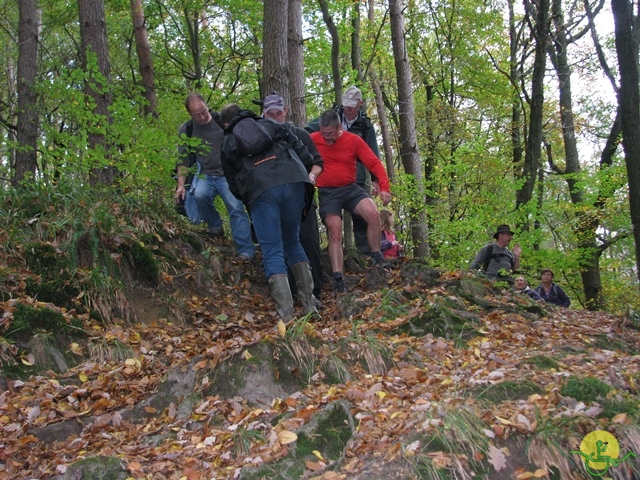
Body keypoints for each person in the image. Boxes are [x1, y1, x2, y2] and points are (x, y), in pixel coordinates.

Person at [220, 103, 324, 322]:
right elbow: (298, 146)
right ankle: (309, 304)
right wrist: (305, 168)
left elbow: (232, 183)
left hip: (261, 192)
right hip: (294, 182)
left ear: (226, 124)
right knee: (293, 242)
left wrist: (248, 196)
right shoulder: (268, 123)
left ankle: (286, 314)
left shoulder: (228, 142)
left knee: (272, 251)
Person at [309, 110, 392, 294]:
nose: (326, 138)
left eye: (330, 134)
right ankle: (338, 278)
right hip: (328, 192)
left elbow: (373, 163)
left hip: (350, 188)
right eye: (323, 134)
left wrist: (384, 187)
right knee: (335, 230)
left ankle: (377, 257)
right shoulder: (313, 138)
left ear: (339, 127)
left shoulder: (353, 140)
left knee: (372, 213)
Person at [175, 92, 255, 260]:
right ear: (190, 114)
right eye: (197, 115)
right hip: (205, 174)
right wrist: (181, 186)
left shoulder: (222, 122)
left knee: (235, 207)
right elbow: (183, 161)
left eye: (204, 111)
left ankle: (245, 250)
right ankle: (215, 227)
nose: (202, 117)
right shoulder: (187, 130)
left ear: (207, 106)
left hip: (227, 174)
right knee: (199, 195)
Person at [260, 94, 324, 299]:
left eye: (279, 113)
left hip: (301, 196)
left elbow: (317, 162)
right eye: (271, 114)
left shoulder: (299, 134)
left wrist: (311, 176)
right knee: (278, 243)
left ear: (285, 111)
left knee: (307, 239)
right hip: (271, 200)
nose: (275, 118)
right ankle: (289, 293)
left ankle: (315, 292)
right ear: (263, 114)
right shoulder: (258, 139)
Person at [306, 86, 382, 256]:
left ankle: (366, 253)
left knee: (364, 216)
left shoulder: (365, 125)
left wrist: (376, 178)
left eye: (351, 106)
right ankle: (335, 250)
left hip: (356, 177)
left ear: (360, 105)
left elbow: (372, 154)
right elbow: (308, 131)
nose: (347, 109)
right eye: (345, 105)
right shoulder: (331, 117)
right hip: (329, 179)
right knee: (332, 219)